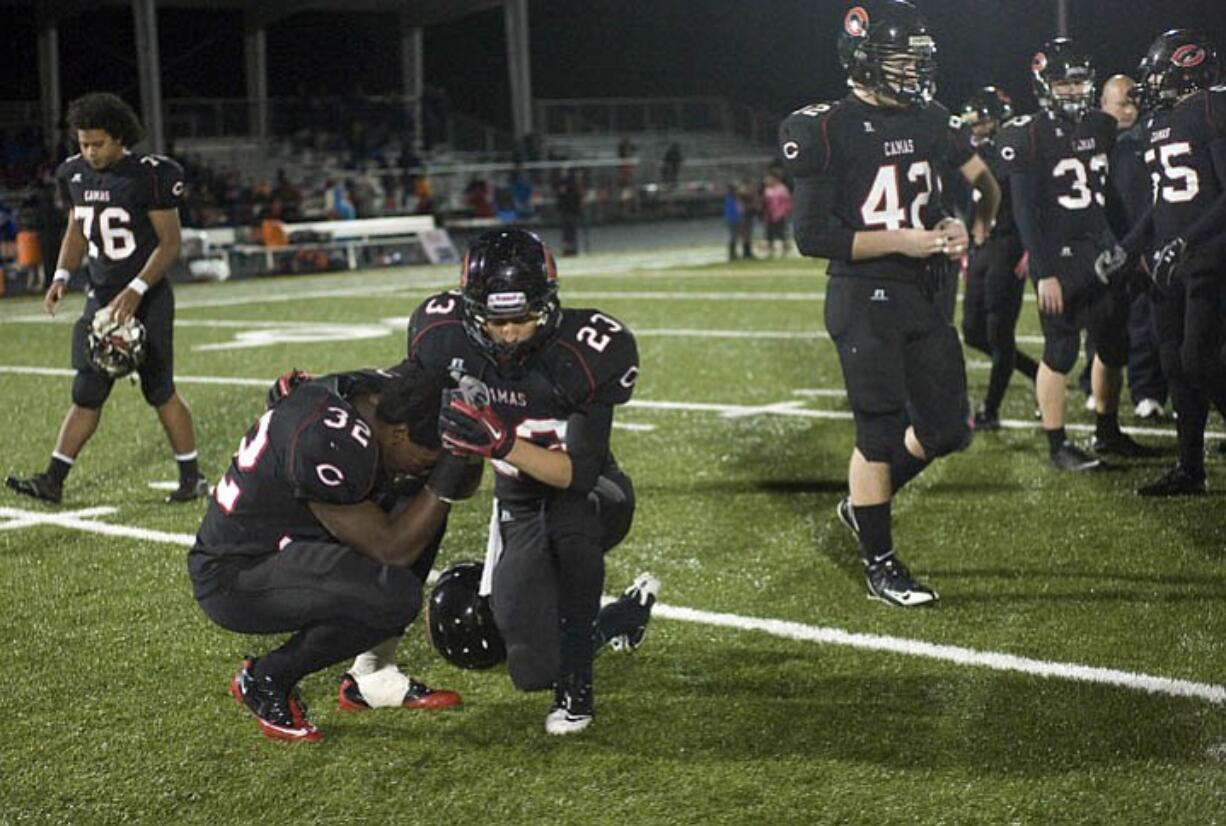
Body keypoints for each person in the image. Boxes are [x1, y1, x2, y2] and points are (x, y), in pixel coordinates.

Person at [781, 0, 1000, 607]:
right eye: (899, 60)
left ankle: (862, 505)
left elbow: (985, 183)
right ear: (863, 60)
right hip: (864, 296)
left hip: (927, 291)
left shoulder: (932, 118)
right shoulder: (823, 127)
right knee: (878, 431)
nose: (912, 71)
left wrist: (970, 226)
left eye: (916, 60)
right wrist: (904, 241)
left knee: (947, 429)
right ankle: (881, 563)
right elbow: (813, 236)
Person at [406, 228, 659, 734]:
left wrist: (500, 443)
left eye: (523, 318)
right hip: (518, 505)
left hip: (592, 494)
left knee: (571, 522)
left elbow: (579, 473)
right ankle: (625, 616)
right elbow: (405, 405)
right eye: (497, 321)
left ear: (548, 305)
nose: (510, 334)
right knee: (530, 669)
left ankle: (577, 690)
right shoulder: (441, 337)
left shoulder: (587, 350)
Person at [188, 365, 482, 742]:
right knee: (393, 593)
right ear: (399, 433)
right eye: (429, 456)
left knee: (421, 511)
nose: (431, 464)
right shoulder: (329, 442)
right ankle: (265, 678)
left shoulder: (374, 393)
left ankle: (371, 677)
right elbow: (392, 549)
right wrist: (449, 472)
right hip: (238, 574)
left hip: (293, 538)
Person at [5, 93, 207, 505]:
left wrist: (136, 290)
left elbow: (170, 244)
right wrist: (61, 274)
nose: (90, 152)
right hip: (100, 299)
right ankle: (53, 480)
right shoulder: (74, 175)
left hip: (147, 297)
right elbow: (76, 229)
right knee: (87, 390)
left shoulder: (150, 175)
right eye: (83, 144)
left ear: (119, 138)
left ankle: (192, 478)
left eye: (98, 144)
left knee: (159, 389)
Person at [998, 38, 1156, 472]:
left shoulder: (1101, 126)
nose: (1072, 89)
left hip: (1101, 248)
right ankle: (1057, 445)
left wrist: (1121, 244)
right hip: (1059, 256)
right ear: (1044, 84)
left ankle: (1107, 431)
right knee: (1061, 350)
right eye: (1063, 82)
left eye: (1079, 81)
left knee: (1112, 344)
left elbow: (1110, 192)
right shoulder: (1024, 133)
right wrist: (1044, 268)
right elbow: (1025, 210)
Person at [1109, 29, 1226, 495]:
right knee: (1175, 365)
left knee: (1199, 360)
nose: (1152, 84)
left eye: (1159, 75)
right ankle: (1190, 468)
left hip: (1208, 255)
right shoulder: (1161, 124)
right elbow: (1162, 204)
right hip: (1168, 261)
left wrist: (1187, 243)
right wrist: (1131, 246)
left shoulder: (1210, 108)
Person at [958, 86, 1040, 430]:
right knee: (972, 331)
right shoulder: (971, 155)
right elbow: (975, 202)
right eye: (974, 124)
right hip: (981, 245)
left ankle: (990, 410)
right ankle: (1037, 372)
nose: (976, 130)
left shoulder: (1014, 152)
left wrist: (1030, 249)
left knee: (998, 333)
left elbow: (1033, 202)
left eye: (983, 123)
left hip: (1009, 244)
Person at [1101, 73, 1169, 420]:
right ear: (1103, 106)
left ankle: (1147, 391)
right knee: (1103, 324)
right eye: (1121, 103)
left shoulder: (1146, 140)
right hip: (1107, 245)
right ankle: (1092, 385)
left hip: (1140, 243)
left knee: (1145, 319)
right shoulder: (1092, 144)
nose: (1129, 109)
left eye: (1133, 101)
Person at [762, 173, 793, 258]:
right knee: (769, 234)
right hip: (770, 215)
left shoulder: (781, 188)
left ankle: (785, 250)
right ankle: (770, 252)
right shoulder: (767, 189)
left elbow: (787, 202)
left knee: (781, 233)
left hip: (780, 214)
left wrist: (785, 212)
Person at [724, 182, 743, 260]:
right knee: (734, 236)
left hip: (731, 219)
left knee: (734, 236)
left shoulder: (729, 198)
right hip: (734, 219)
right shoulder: (733, 198)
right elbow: (738, 209)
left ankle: (733, 253)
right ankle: (732, 254)